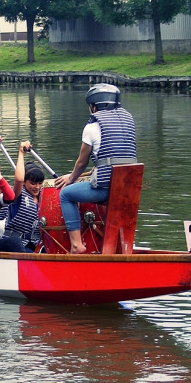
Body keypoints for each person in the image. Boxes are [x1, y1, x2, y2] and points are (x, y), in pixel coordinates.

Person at [54, 83, 137, 254]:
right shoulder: (128, 120)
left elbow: (81, 162)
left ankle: (76, 245)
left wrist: (71, 178)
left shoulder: (92, 127)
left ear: (94, 106)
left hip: (107, 190)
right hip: (128, 189)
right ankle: (117, 247)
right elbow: (118, 153)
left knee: (66, 195)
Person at [0, 138, 44, 252]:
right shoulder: (18, 195)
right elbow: (18, 179)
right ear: (25, 182)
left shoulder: (44, 197)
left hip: (36, 245)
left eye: (39, 183)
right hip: (17, 244)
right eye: (33, 183)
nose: (37, 187)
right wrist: (21, 153)